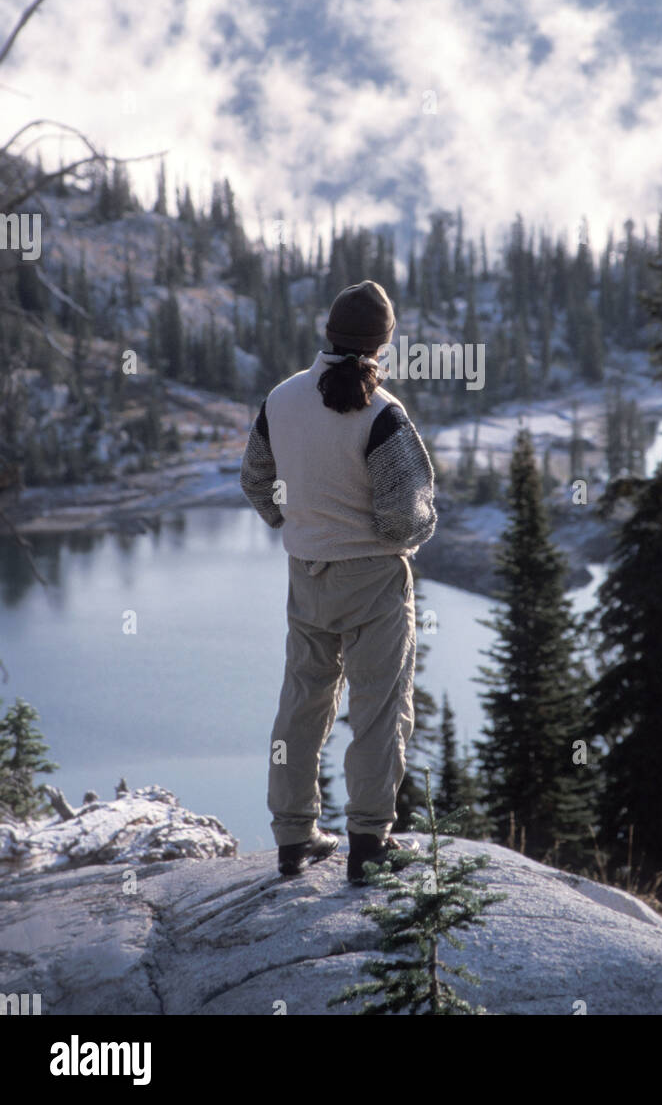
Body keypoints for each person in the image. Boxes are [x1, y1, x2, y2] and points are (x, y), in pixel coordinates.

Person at [240, 279, 437, 884]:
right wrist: (416, 528)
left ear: (329, 334)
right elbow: (404, 516)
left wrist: (293, 520)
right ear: (383, 342)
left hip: (306, 573)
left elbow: (255, 480)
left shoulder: (281, 398)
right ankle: (368, 843)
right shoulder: (383, 414)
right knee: (378, 709)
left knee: (302, 703)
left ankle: (294, 837)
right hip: (373, 579)